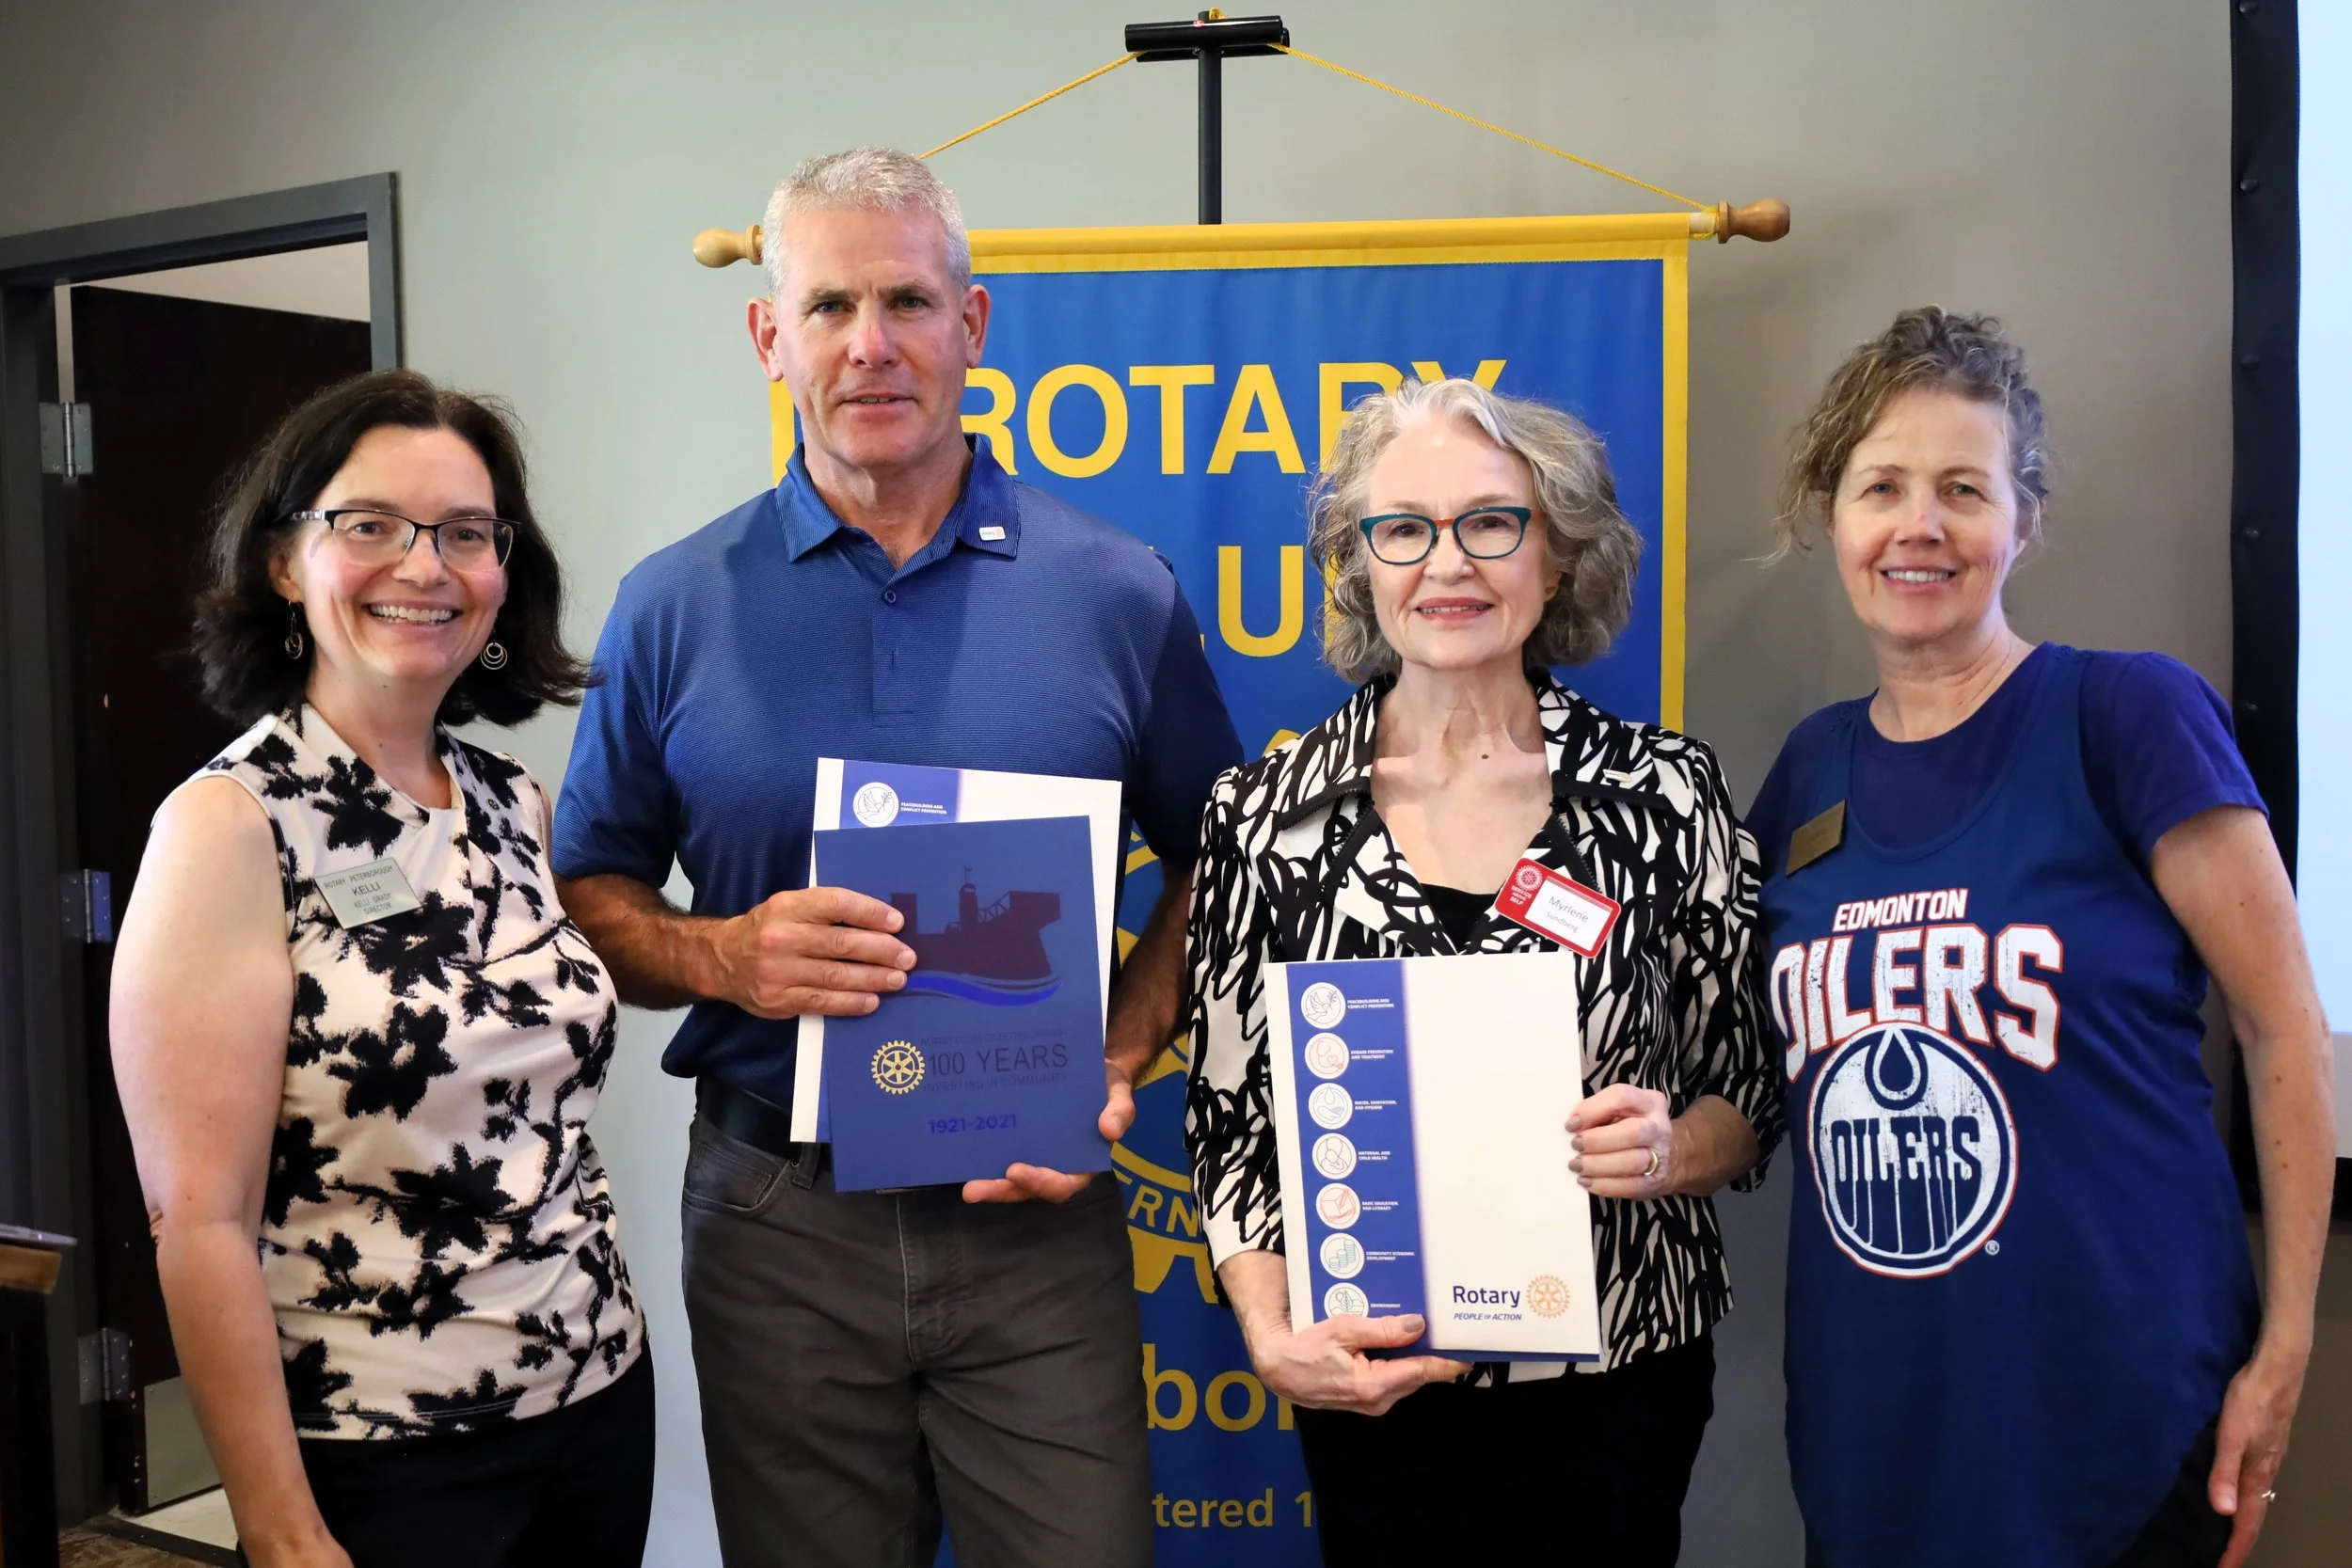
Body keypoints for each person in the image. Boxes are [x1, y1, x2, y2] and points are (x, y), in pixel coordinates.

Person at [551, 147, 1241, 1568]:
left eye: (909, 302)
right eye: (828, 306)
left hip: (1030, 1218)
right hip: (777, 1220)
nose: (872, 345)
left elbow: (1223, 860)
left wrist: (1112, 1055)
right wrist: (722, 951)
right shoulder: (673, 603)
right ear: (768, 336)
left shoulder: (1116, 589)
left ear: (972, 324)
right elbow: (588, 893)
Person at [1746, 307, 2334, 1568]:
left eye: (1965, 487)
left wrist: (2286, 1351)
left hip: (2113, 1416)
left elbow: (2283, 1027)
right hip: (1876, 1429)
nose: (1922, 524)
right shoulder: (1809, 772)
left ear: (2026, 518)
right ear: (1831, 516)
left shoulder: (2127, 713)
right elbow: (1754, 1085)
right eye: (1883, 486)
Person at [1184, 376, 1783, 1565]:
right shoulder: (1262, 816)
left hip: (1619, 1372)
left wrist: (1671, 1145)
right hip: (1374, 1371)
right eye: (1402, 527)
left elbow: (1749, 1097)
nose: (1445, 562)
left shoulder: (1666, 795)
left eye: (1490, 522)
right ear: (1359, 564)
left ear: (1555, 558)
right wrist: (1267, 1326)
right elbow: (1231, 1123)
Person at [110, 371, 651, 1568]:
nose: (425, 566)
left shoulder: (510, 800)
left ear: (504, 576)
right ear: (283, 562)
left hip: (595, 1393)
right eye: (370, 526)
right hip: (380, 1442)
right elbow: (197, 1221)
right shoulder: (229, 826)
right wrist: (279, 1525)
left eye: (466, 533)